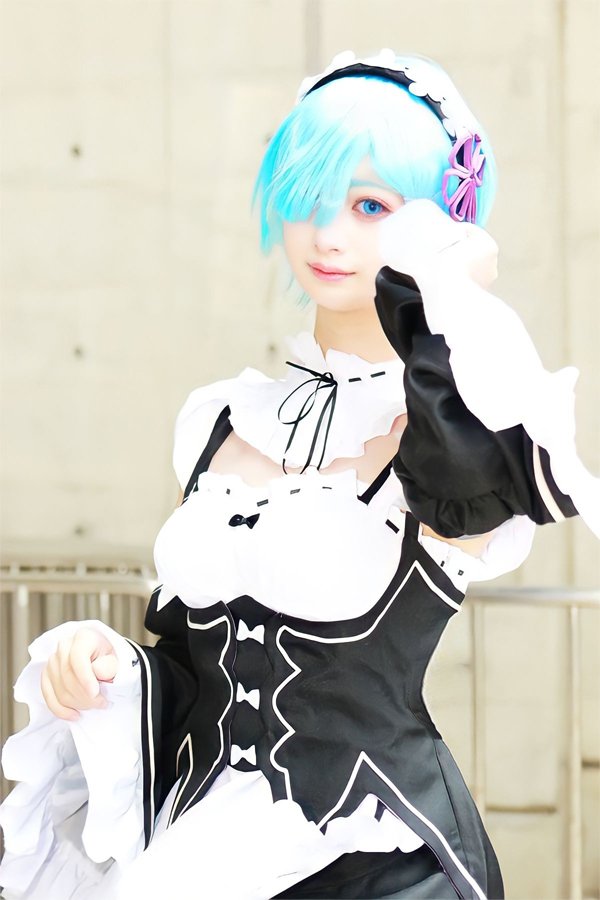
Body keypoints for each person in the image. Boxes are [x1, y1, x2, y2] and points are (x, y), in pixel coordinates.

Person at [0, 49, 598, 900]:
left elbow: (464, 489)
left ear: (438, 223)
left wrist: (446, 293)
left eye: (370, 206)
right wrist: (110, 667)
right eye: (310, 195)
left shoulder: (450, 428)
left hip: (382, 865)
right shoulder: (220, 419)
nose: (328, 233)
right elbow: (198, 668)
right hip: (201, 846)